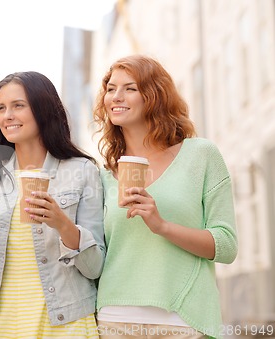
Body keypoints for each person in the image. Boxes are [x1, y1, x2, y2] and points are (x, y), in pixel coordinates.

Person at [93, 55, 238, 339]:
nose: (116, 96)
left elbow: (226, 245)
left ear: (154, 96)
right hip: (115, 321)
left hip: (183, 320)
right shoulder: (103, 175)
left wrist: (162, 226)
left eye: (130, 88)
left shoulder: (200, 155)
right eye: (111, 88)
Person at [0, 71, 105, 339]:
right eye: (1, 108)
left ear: (43, 109)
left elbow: (95, 267)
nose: (7, 115)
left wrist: (62, 224)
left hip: (66, 322)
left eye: (18, 105)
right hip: (3, 325)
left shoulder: (82, 171)